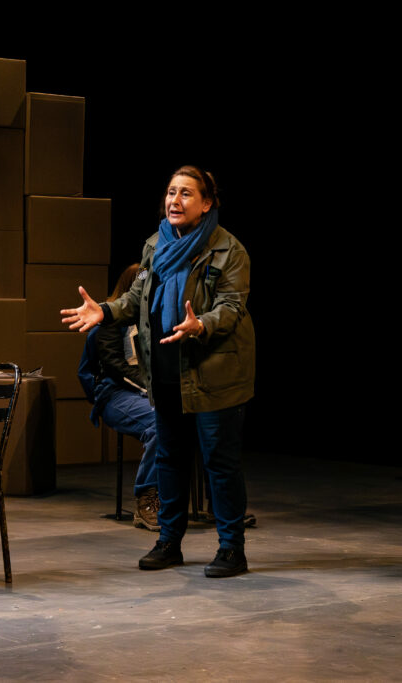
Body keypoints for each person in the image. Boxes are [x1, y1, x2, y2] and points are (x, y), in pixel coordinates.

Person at [62, 165, 255, 577]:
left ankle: (231, 549)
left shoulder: (229, 250)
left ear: (206, 203)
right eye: (171, 192)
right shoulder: (156, 244)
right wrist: (105, 311)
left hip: (213, 372)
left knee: (220, 463)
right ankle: (169, 541)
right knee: (170, 459)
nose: (175, 200)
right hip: (166, 371)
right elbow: (135, 299)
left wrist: (201, 324)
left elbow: (232, 307)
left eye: (186, 193)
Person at [78, 264, 161, 531]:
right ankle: (147, 501)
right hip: (117, 394)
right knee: (160, 424)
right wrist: (151, 389)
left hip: (148, 392)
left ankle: (220, 503)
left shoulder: (156, 317)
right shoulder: (109, 321)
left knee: (205, 417)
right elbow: (116, 367)